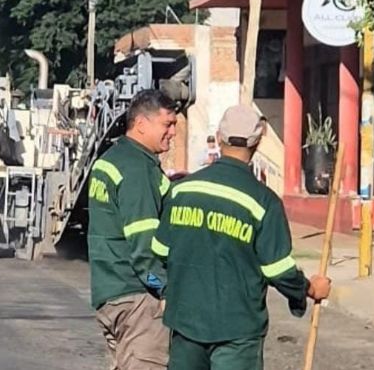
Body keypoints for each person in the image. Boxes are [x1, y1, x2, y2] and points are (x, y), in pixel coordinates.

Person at [152, 104, 332, 370]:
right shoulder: (263, 202)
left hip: (186, 323)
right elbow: (278, 270)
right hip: (237, 330)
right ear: (257, 143)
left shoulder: (182, 190)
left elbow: (160, 250)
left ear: (219, 138)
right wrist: (308, 289)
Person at [87, 89, 177, 370]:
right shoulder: (137, 169)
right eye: (167, 124)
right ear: (141, 124)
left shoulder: (111, 160)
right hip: (138, 299)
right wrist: (163, 289)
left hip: (109, 293)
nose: (173, 132)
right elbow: (143, 249)